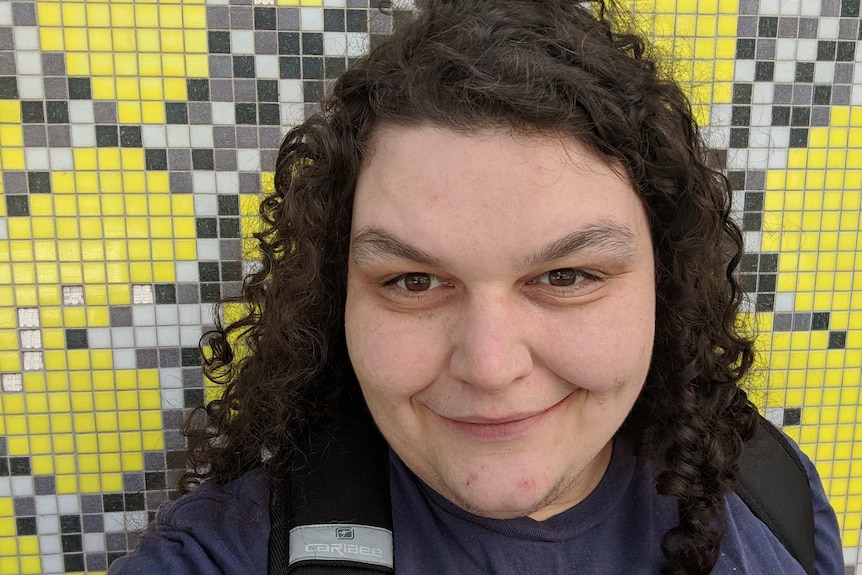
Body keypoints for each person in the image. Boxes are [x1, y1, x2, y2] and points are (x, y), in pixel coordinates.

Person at [109, 0, 843, 574]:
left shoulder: (773, 495)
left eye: (565, 276)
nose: (490, 366)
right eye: (414, 280)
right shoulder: (222, 554)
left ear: (667, 284)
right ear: (338, 301)